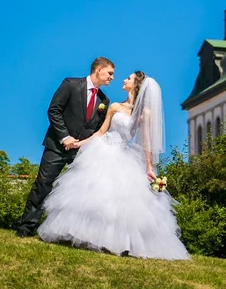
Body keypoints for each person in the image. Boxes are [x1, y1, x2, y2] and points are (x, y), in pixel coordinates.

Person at [37, 72, 190, 260]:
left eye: (129, 78)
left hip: (123, 155)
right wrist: (80, 143)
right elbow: (101, 132)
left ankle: (119, 243)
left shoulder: (144, 113)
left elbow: (147, 142)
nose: (124, 80)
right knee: (91, 196)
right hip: (101, 150)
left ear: (136, 86)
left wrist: (149, 167)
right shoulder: (114, 106)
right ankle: (83, 235)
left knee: (119, 203)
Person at [16, 57, 114, 237]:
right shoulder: (70, 84)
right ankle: (26, 227)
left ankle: (71, 233)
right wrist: (64, 137)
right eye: (110, 73)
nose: (112, 78)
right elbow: (54, 110)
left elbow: (97, 127)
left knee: (80, 191)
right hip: (57, 146)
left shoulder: (104, 100)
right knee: (43, 184)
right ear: (98, 69)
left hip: (82, 152)